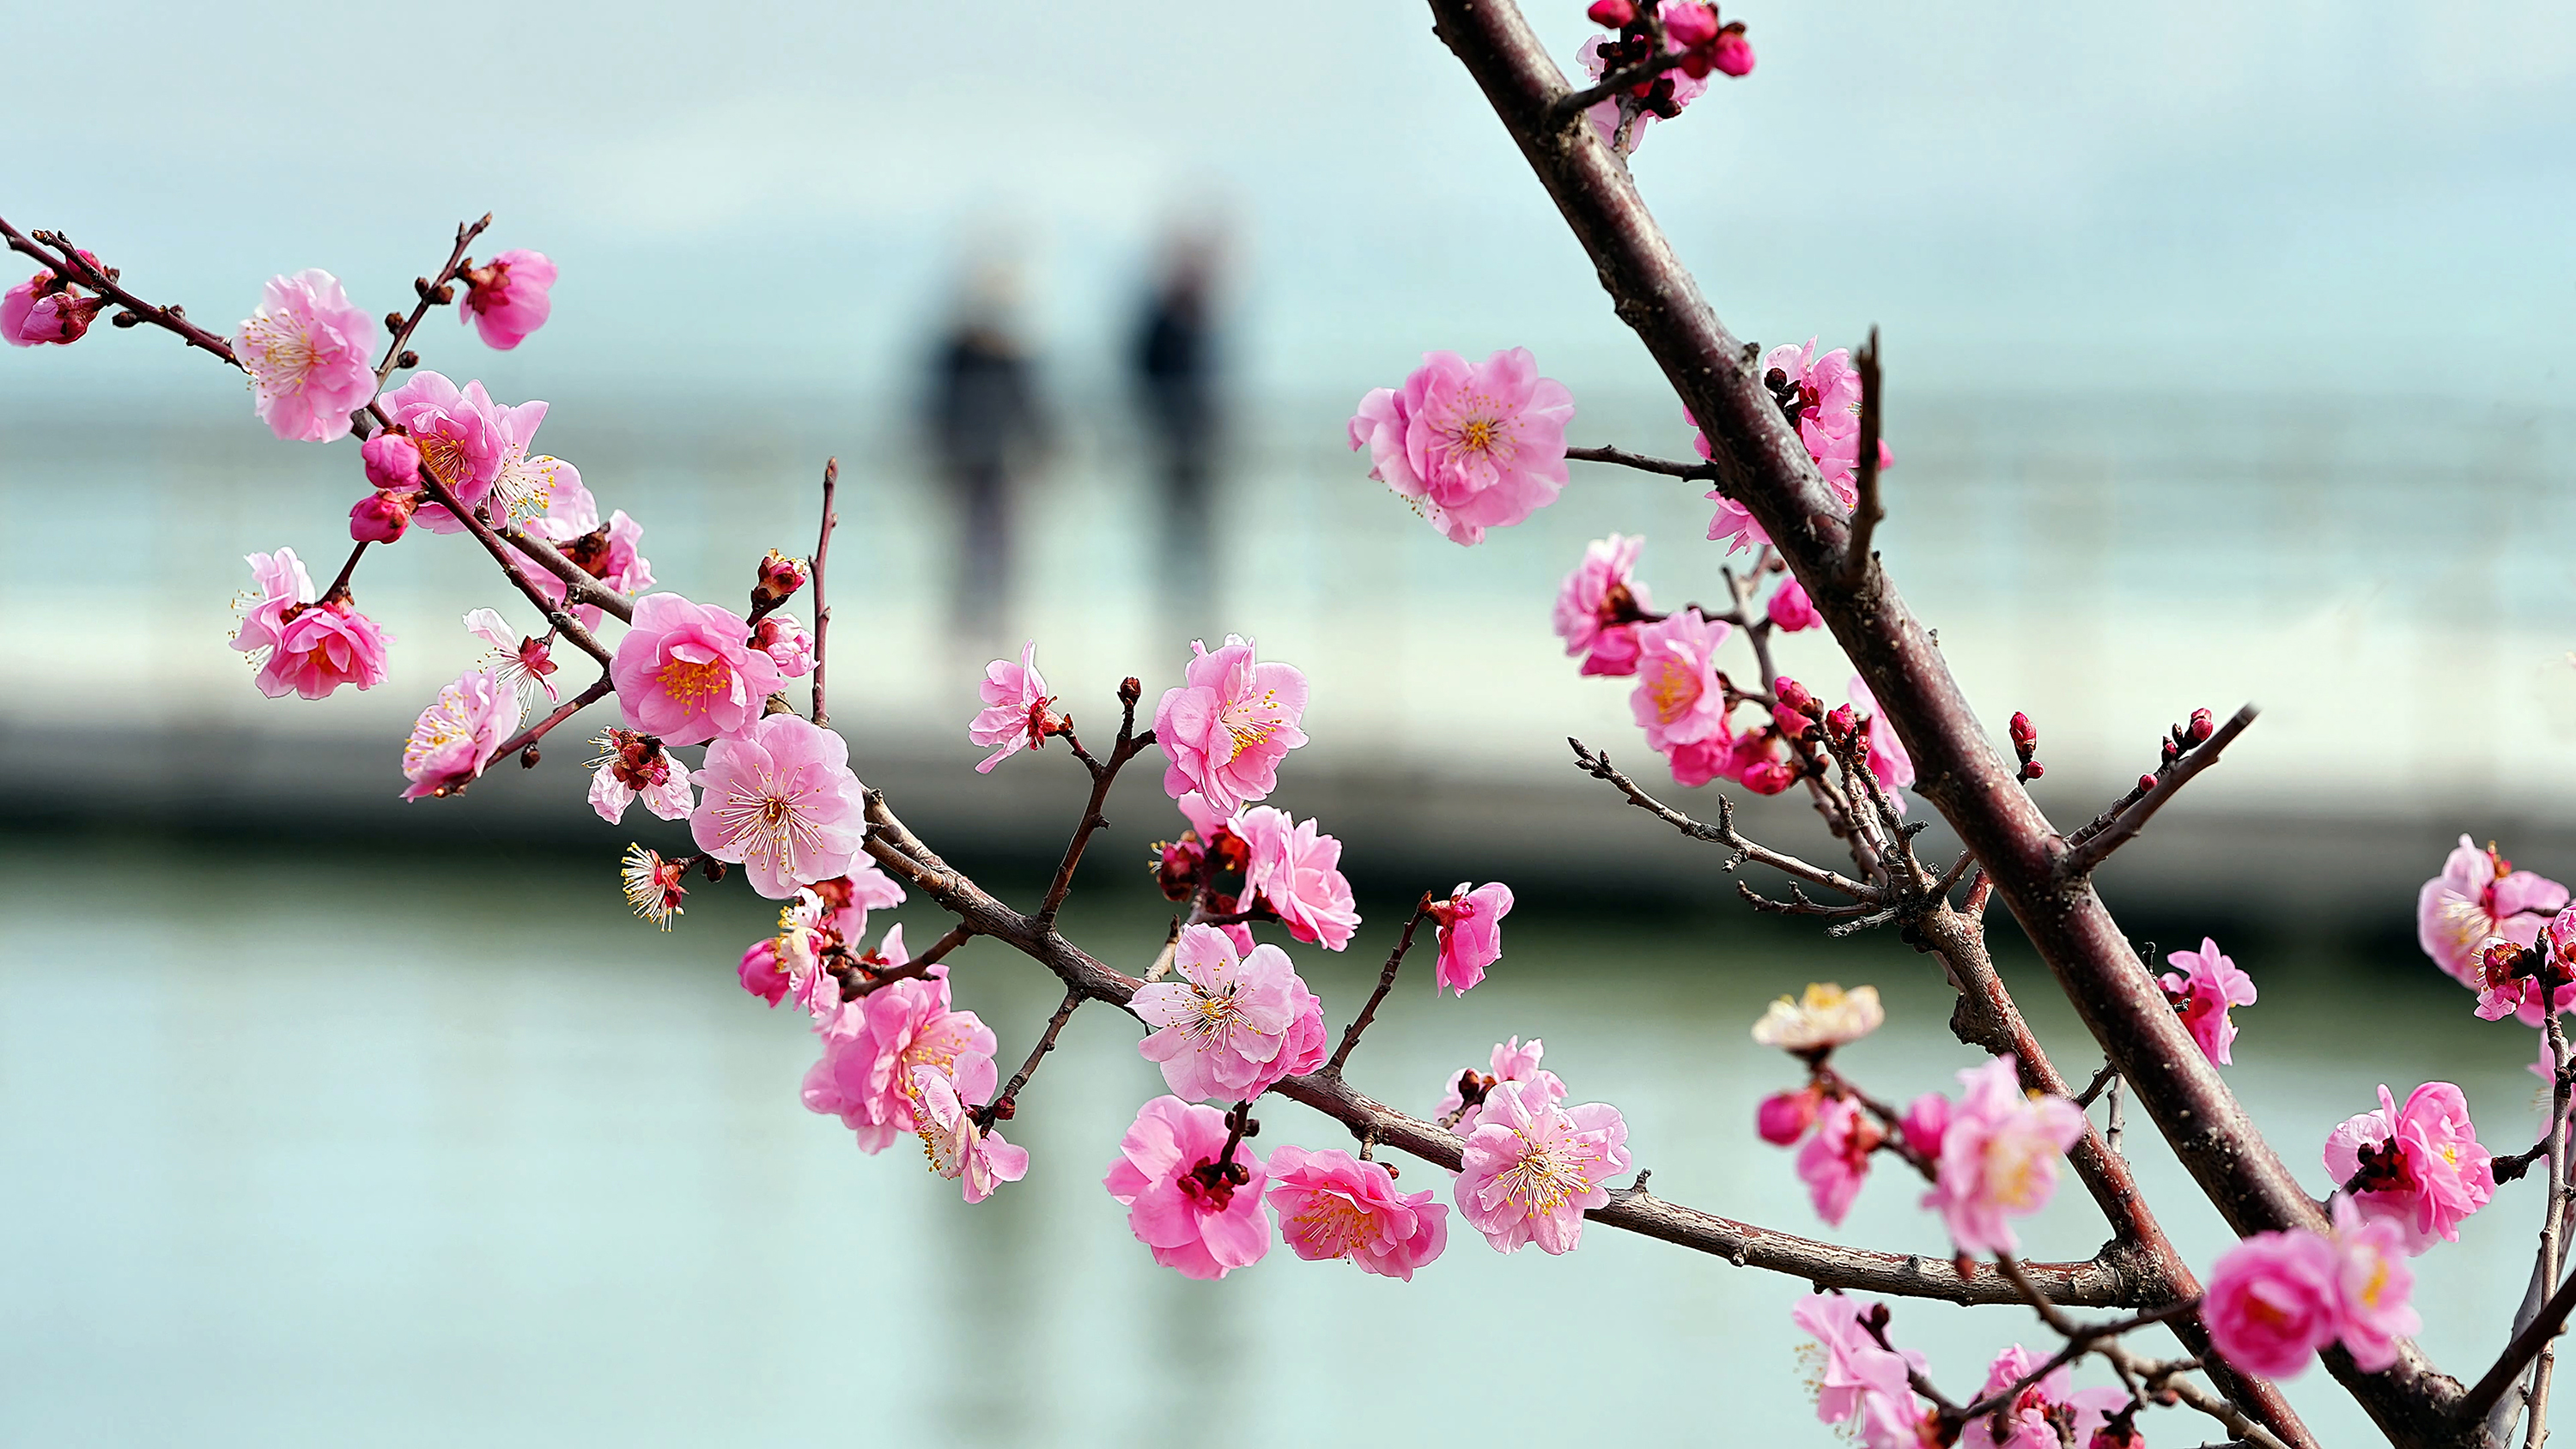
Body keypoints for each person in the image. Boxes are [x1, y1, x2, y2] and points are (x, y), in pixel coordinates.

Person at [924, 263, 1048, 643]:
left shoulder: (1009, 355)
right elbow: (940, 406)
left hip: (1000, 463)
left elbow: (1029, 408)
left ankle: (995, 616)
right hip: (969, 462)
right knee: (968, 543)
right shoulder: (961, 353)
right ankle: (967, 618)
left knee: (1000, 543)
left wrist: (1040, 446)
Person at [1130, 232, 1224, 628]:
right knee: (1176, 534)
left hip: (1202, 444)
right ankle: (1176, 616)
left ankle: (1201, 614)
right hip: (1174, 445)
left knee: (1203, 533)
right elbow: (1144, 376)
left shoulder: (1199, 317)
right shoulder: (1166, 320)